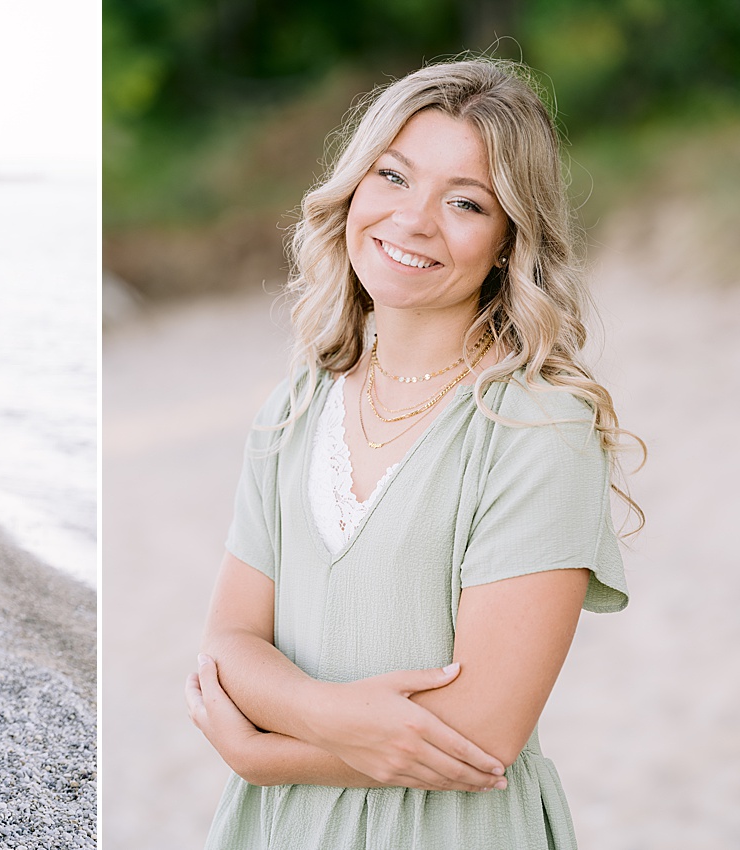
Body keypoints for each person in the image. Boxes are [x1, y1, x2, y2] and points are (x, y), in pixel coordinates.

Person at [183, 58, 641, 849]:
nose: (414, 219)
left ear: (508, 241)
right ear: (354, 189)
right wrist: (332, 718)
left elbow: (480, 734)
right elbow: (226, 648)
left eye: (466, 201)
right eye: (392, 177)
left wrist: (261, 748)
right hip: (274, 828)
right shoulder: (292, 408)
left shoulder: (541, 429)